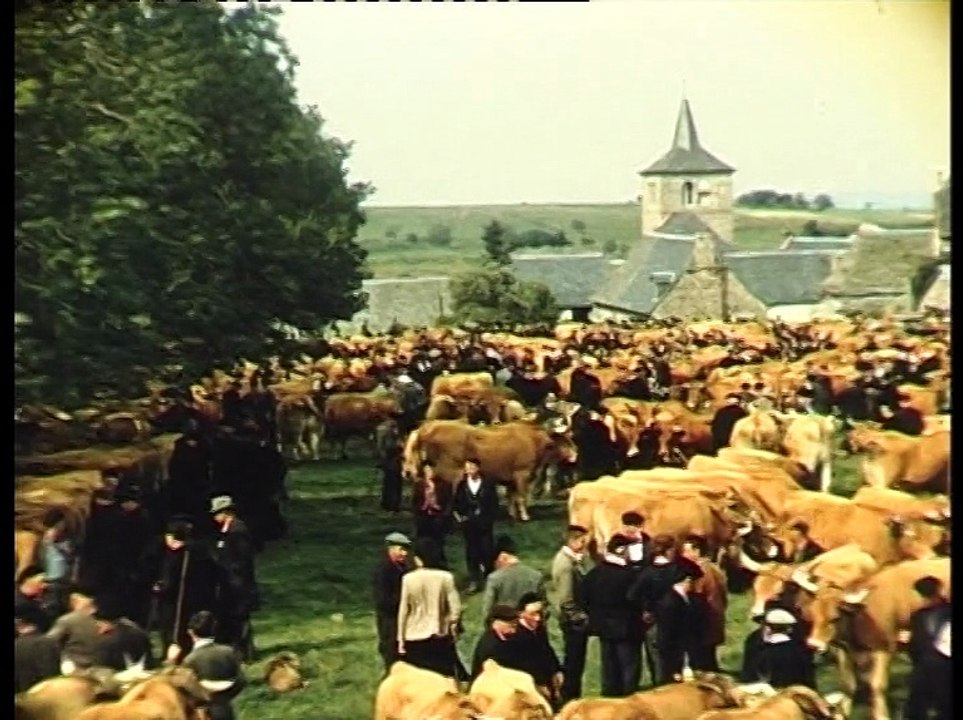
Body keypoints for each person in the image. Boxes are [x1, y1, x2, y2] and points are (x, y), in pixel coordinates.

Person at [577, 535, 644, 697]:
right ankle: (629, 700)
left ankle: (609, 700)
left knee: (609, 667)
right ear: (622, 550)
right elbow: (638, 600)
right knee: (629, 668)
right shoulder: (630, 576)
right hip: (627, 628)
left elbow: (582, 597)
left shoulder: (595, 573)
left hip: (603, 628)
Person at [396, 537, 467, 681]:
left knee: (418, 681)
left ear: (418, 559)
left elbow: (404, 611)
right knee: (444, 678)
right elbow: (456, 608)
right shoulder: (445, 577)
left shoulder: (408, 579)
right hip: (438, 634)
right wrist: (451, 624)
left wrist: (401, 639)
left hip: (414, 636)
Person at [169, 611, 246, 720]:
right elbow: (241, 680)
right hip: (226, 709)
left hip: (203, 714)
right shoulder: (229, 652)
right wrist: (225, 696)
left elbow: (181, 688)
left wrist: (171, 662)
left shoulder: (190, 660)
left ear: (191, 632)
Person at [209, 495, 260, 662]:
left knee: (240, 619)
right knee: (232, 618)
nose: (215, 517)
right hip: (230, 583)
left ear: (225, 513)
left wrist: (231, 572)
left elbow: (242, 558)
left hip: (239, 583)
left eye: (217, 513)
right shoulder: (227, 530)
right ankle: (237, 649)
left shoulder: (238, 530)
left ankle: (245, 653)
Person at [902, 575, 952, 720]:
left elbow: (915, 647)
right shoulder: (942, 612)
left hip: (926, 669)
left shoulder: (918, 616)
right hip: (939, 668)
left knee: (919, 708)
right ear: (940, 589)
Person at [550, 525, 590, 704]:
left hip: (571, 619)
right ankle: (570, 696)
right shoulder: (566, 565)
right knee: (574, 661)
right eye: (582, 541)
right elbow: (566, 598)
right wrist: (580, 618)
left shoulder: (570, 560)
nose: (585, 544)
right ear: (573, 541)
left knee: (574, 659)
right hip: (572, 622)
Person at [651, 559, 704, 685]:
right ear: (687, 580)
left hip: (684, 653)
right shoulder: (669, 603)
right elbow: (667, 636)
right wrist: (674, 668)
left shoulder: (686, 599)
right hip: (674, 657)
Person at [451, 458, 500, 594]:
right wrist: (461, 518)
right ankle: (474, 580)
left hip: (484, 524)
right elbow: (457, 504)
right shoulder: (462, 485)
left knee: (487, 550)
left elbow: (494, 503)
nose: (469, 470)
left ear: (478, 468)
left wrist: (489, 517)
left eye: (472, 467)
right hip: (469, 525)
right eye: (467, 468)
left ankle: (489, 577)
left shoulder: (487, 484)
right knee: (471, 551)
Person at [679, 534, 727, 672]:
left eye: (687, 551)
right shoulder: (714, 568)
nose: (684, 555)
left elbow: (697, 596)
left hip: (703, 621)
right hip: (714, 617)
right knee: (709, 656)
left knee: (701, 660)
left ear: (697, 551)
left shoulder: (701, 572)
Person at [513, 592, 563, 710]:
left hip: (548, 682)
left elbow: (547, 650)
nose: (538, 618)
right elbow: (522, 664)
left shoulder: (539, 628)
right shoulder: (516, 634)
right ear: (521, 613)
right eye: (533, 614)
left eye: (540, 613)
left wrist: (557, 670)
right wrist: (539, 684)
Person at [481, 534, 546, 623]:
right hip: (531, 626)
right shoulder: (536, 575)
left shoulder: (494, 578)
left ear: (501, 558)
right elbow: (544, 606)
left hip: (506, 629)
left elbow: (488, 610)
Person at [747, 608, 816, 689]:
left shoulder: (763, 652)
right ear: (789, 629)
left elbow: (755, 677)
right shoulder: (800, 651)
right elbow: (808, 678)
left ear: (769, 628)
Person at [373, 532, 412, 673]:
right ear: (390, 549)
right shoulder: (384, 570)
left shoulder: (405, 568)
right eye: (401, 549)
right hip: (390, 621)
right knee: (392, 654)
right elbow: (383, 600)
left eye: (406, 549)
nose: (405, 553)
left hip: (404, 621)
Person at [88, 594, 157, 672]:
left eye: (97, 623)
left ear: (106, 622)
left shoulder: (105, 642)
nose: (96, 627)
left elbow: (100, 670)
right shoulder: (138, 632)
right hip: (145, 677)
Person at [46, 584, 100, 673]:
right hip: (99, 667)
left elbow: (48, 643)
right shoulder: (106, 621)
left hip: (76, 668)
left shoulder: (67, 620)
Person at [411, 461, 452, 565]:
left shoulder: (444, 484)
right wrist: (418, 512)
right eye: (427, 470)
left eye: (432, 469)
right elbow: (415, 501)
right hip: (424, 516)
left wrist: (444, 515)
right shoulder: (419, 485)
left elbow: (449, 501)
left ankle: (439, 560)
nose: (430, 472)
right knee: (423, 539)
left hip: (438, 516)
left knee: (438, 540)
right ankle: (423, 558)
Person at [15, 603, 61, 693]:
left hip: (22, 698)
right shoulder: (46, 642)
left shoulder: (16, 644)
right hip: (45, 695)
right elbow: (50, 673)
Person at [470, 604, 524, 679]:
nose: (514, 631)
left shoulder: (505, 639)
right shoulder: (490, 646)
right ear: (497, 623)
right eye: (511, 626)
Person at [375, 416, 404, 512]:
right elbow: (392, 445)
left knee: (388, 481)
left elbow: (380, 446)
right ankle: (394, 504)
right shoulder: (392, 426)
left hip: (386, 458)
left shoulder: (381, 427)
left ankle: (387, 503)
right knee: (395, 482)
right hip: (393, 457)